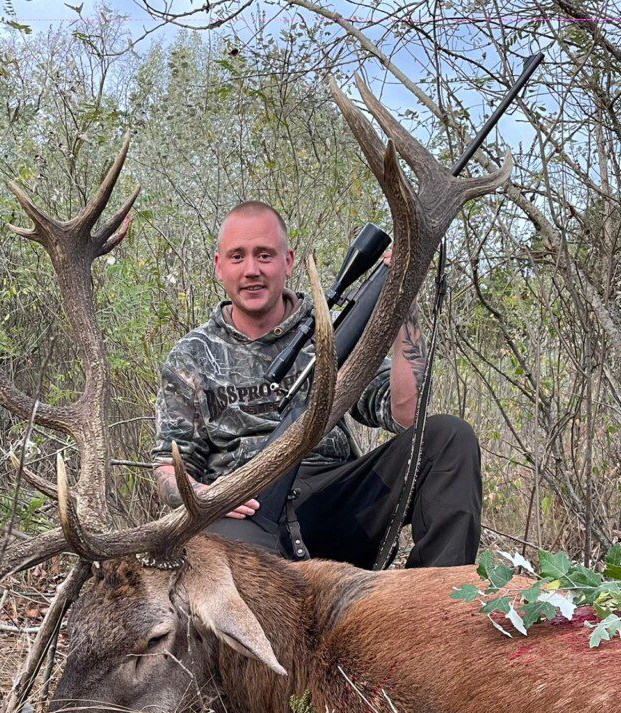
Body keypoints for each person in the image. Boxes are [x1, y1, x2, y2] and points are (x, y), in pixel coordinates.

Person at [151, 201, 481, 569]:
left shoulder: (331, 330)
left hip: (335, 501)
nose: (251, 270)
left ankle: (438, 606)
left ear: (288, 261)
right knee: (212, 569)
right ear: (218, 266)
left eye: (264, 255)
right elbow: (169, 467)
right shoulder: (191, 356)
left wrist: (403, 301)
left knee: (449, 437)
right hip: (242, 510)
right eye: (237, 257)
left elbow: (407, 414)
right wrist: (208, 495)